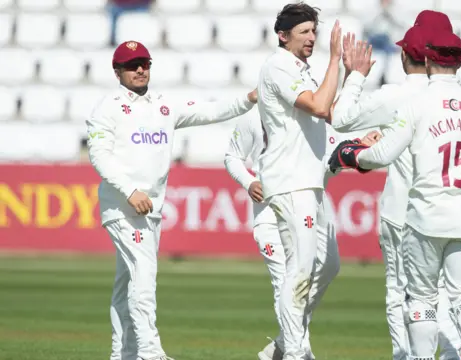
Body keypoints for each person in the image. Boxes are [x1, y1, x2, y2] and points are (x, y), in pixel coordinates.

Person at [331, 31, 461, 360]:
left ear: (426, 60)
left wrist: (352, 156)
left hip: (418, 216)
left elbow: (369, 143)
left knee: (417, 298)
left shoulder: (411, 101)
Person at [86, 40, 257, 360]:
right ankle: (150, 352)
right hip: (123, 207)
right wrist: (129, 190)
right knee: (144, 275)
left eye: (145, 63)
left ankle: (123, 354)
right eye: (132, 65)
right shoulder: (107, 106)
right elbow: (99, 156)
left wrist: (248, 99)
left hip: (150, 207)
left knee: (129, 283)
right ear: (117, 71)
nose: (140, 69)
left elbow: (208, 110)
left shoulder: (163, 104)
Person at [223, 114, 380, 360]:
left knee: (329, 266)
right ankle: (298, 352)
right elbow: (232, 156)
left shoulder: (315, 117)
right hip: (271, 209)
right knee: (287, 279)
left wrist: (361, 144)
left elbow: (333, 156)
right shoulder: (255, 117)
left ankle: (284, 343)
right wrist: (248, 181)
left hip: (313, 202)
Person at [256, 3, 343, 360]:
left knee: (329, 264)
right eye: (304, 31)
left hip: (310, 180)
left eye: (314, 31)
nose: (312, 38)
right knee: (301, 270)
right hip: (290, 182)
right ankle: (293, 351)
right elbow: (320, 107)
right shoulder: (278, 65)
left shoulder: (302, 70)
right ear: (283, 34)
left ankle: (281, 344)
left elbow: (326, 116)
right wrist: (337, 60)